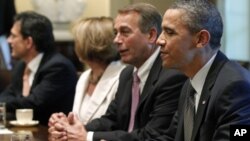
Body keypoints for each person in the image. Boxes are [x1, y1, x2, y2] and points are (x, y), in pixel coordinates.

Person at [48, 3, 187, 141]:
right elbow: (111, 120)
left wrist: (88, 136)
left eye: (125, 32)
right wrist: (72, 129)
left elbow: (152, 135)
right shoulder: (127, 73)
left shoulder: (171, 76)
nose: (116, 40)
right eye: (116, 33)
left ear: (151, 35)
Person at [156, 1, 250, 141]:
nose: (159, 40)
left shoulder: (235, 87)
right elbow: (171, 137)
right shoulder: (190, 84)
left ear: (201, 39)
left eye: (169, 32)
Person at [0, 11, 78, 125]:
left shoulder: (58, 67)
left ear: (28, 42)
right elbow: (7, 95)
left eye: (13, 36)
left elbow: (33, 104)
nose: (9, 40)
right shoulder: (21, 66)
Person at [51, 16, 126, 126]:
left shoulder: (122, 77)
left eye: (77, 41)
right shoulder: (85, 76)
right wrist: (63, 124)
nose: (74, 45)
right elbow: (79, 121)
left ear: (89, 44)